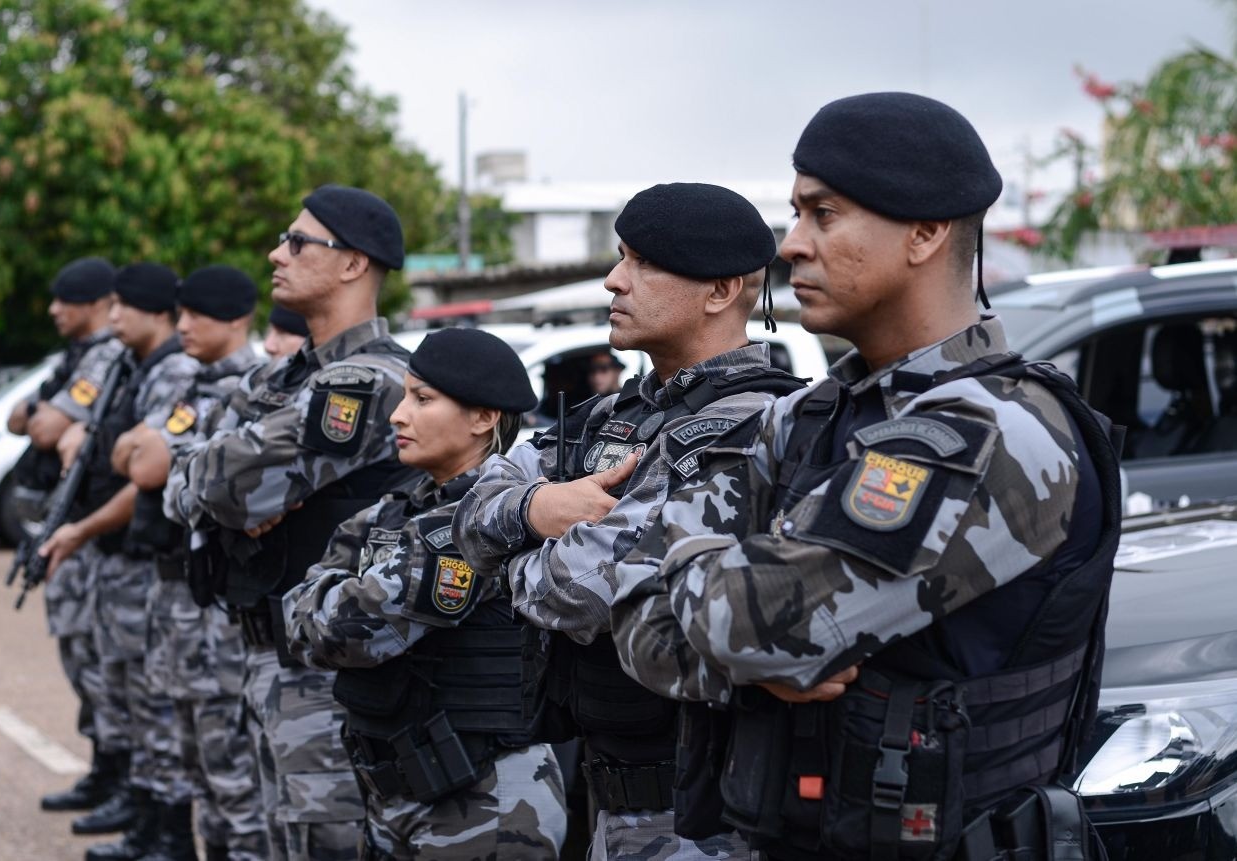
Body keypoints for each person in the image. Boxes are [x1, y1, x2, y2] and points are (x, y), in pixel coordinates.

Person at [611, 92, 1122, 861]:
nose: (790, 245)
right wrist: (741, 635)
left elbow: (747, 621)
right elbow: (630, 612)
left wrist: (701, 581)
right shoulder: (810, 417)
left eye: (824, 214)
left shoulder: (990, 434)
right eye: (796, 214)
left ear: (924, 233)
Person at [452, 182, 808, 860]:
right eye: (620, 256)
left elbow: (584, 588)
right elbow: (474, 501)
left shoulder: (753, 423)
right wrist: (536, 509)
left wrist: (511, 553)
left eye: (643, 262)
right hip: (607, 797)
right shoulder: (602, 416)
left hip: (699, 819)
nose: (615, 279)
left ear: (721, 289)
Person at [166, 185, 418, 861]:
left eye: (299, 241)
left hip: (327, 670)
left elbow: (225, 484)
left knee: (326, 841)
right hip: (268, 653)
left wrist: (220, 485)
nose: (277, 253)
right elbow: (183, 477)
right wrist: (217, 483)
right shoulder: (285, 379)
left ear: (353, 264)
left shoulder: (371, 381)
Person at [284, 327, 568, 859]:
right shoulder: (396, 509)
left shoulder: (495, 517)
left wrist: (336, 598)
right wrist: (334, 600)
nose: (397, 414)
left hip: (485, 801)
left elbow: (345, 633)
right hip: (398, 792)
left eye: (422, 399)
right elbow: (297, 617)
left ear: (483, 418)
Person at [39, 262, 201, 861]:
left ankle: (163, 830)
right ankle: (143, 816)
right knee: (127, 688)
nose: (111, 320)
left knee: (154, 700)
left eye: (121, 308)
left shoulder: (175, 371)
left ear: (152, 311)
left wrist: (83, 525)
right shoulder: (131, 367)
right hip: (121, 553)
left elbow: (144, 472)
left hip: (146, 558)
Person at [114, 265, 269, 860]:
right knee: (198, 761)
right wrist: (162, 456)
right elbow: (131, 454)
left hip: (222, 610)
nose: (181, 327)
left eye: (193, 315)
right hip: (183, 599)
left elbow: (153, 466)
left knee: (232, 771)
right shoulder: (197, 386)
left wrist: (164, 458)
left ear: (233, 318)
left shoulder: (252, 387)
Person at [15, 257, 123, 815]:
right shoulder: (76, 357)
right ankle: (107, 770)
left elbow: (45, 425)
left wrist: (40, 414)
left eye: (65, 299)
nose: (54, 309)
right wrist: (39, 412)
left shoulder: (105, 354)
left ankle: (119, 777)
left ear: (98, 301)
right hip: (66, 524)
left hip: (94, 530)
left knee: (99, 659)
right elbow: (19, 419)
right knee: (82, 655)